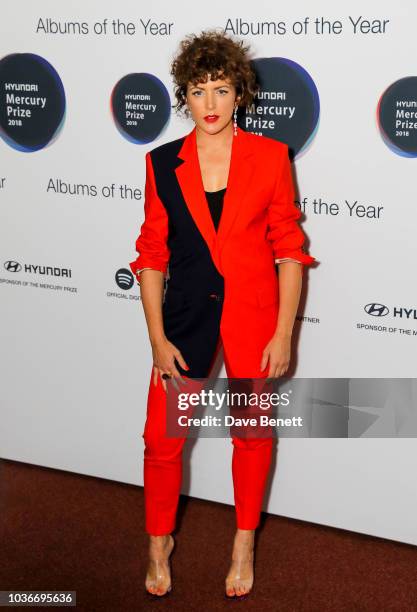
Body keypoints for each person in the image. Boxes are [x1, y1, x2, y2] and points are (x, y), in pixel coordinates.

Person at [129, 29, 316, 599]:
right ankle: (159, 543)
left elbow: (288, 249)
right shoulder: (162, 163)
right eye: (196, 90)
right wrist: (157, 338)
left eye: (221, 89)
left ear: (241, 94)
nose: (208, 105)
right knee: (161, 442)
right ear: (182, 96)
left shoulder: (270, 157)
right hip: (184, 324)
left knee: (253, 436)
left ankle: (243, 541)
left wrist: (283, 332)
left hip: (255, 323)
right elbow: (152, 255)